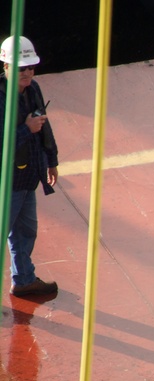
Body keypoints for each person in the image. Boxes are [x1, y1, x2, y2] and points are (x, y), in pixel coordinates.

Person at [0, 36, 59, 297]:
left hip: (26, 178)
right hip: (6, 183)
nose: (27, 73)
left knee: (25, 231)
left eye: (31, 67)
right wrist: (26, 129)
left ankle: (23, 279)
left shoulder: (33, 89)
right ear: (5, 67)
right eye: (22, 68)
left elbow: (43, 125)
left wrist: (51, 161)